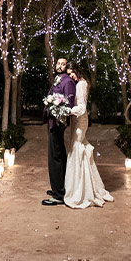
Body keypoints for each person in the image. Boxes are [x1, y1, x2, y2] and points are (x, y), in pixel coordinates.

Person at [63, 61, 114, 208]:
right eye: (68, 74)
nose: (70, 76)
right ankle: (79, 186)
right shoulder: (78, 83)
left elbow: (82, 108)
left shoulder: (81, 84)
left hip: (80, 121)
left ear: (77, 70)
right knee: (75, 149)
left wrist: (67, 110)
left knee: (77, 149)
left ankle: (82, 191)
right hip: (75, 120)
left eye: (71, 73)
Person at [42, 57, 76, 206]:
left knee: (54, 158)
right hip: (52, 121)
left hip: (57, 122)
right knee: (59, 154)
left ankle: (58, 195)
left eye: (63, 64)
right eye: (58, 63)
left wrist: (58, 116)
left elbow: (69, 103)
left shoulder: (68, 81)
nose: (60, 66)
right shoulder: (57, 79)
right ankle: (60, 188)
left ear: (66, 66)